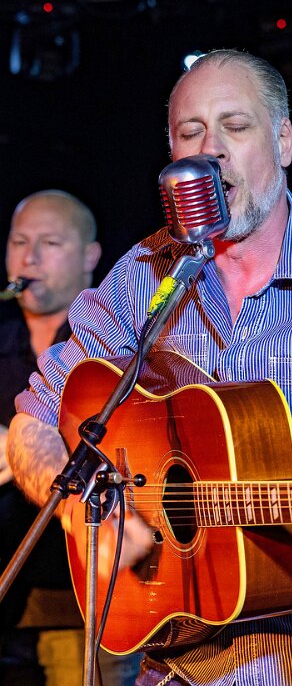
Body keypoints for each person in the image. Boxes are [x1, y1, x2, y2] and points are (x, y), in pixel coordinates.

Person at [7, 52, 292, 686]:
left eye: (236, 126)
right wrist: (85, 510)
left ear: (283, 141)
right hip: (181, 668)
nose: (211, 150)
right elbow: (32, 423)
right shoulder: (142, 278)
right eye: (190, 132)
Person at [0, 190, 142, 685]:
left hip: (95, 609)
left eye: (50, 243)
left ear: (90, 256)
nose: (29, 258)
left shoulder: (117, 345)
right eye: (19, 242)